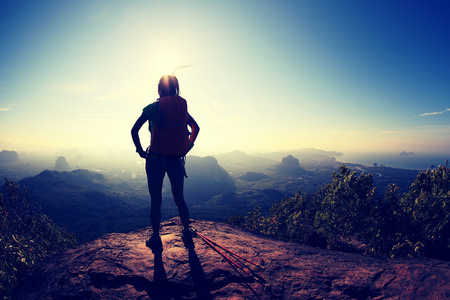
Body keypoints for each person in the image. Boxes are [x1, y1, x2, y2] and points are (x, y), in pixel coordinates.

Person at [131, 75, 199, 252]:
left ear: (159, 89)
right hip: (176, 159)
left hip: (155, 159)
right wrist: (187, 147)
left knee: (156, 200)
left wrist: (140, 151)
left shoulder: (153, 108)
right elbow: (196, 128)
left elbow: (134, 130)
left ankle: (155, 237)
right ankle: (185, 231)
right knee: (179, 198)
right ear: (176, 89)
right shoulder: (181, 108)